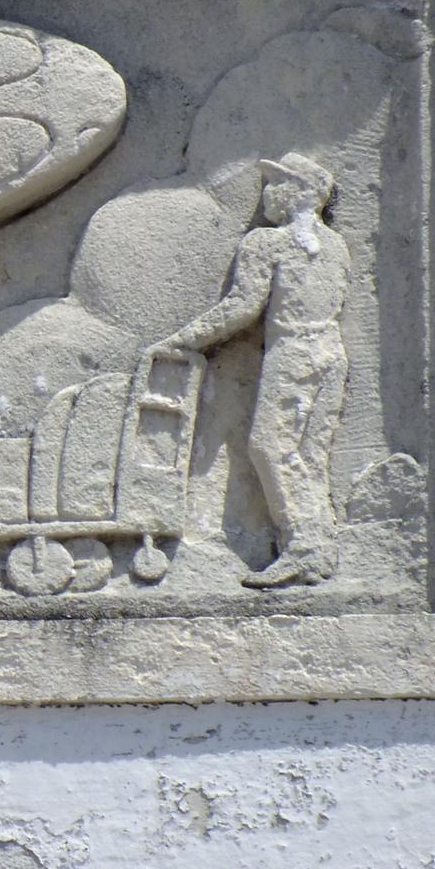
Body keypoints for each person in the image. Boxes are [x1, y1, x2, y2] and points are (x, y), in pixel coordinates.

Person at [153, 154, 348, 587]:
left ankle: (301, 548)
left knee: (269, 446)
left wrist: (184, 339)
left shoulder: (268, 243)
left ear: (303, 193)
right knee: (309, 454)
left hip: (295, 352)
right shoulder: (335, 246)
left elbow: (242, 308)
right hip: (331, 351)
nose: (267, 194)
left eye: (277, 184)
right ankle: (321, 549)